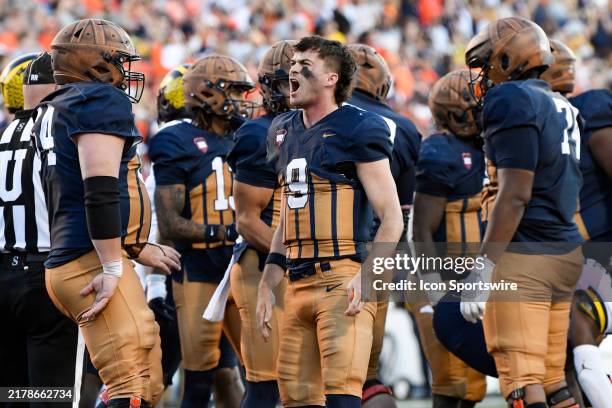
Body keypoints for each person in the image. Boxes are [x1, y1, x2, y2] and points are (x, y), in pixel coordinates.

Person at [31, 19, 180, 408]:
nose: (125, 72)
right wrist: (113, 264)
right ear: (96, 65)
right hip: (89, 259)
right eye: (118, 62)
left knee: (146, 371)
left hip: (75, 253)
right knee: (129, 379)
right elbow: (98, 191)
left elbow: (76, 188)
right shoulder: (96, 100)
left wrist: (133, 246)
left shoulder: (54, 106)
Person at [257, 35, 403, 408]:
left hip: (342, 278)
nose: (294, 70)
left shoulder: (359, 126)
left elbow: (391, 219)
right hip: (295, 283)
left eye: (305, 66)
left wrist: (367, 276)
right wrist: (267, 280)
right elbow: (289, 213)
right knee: (296, 399)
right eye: (293, 64)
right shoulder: (282, 130)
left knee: (342, 396)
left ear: (331, 79)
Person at [463, 17, 583, 407]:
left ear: (509, 58)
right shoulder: (562, 104)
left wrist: (482, 269)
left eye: (486, 63)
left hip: (525, 254)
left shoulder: (511, 99)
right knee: (553, 379)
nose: (482, 76)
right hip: (564, 250)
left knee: (521, 380)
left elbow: (514, 194)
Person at [149, 54, 256, 408]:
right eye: (236, 91)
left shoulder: (248, 136)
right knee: (197, 377)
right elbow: (170, 223)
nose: (243, 99)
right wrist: (228, 230)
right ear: (208, 94)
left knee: (260, 370)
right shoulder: (175, 140)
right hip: (198, 270)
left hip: (244, 269)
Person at [0, 51, 80, 407]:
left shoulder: (1, 137)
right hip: (45, 274)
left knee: (10, 393)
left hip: (3, 275)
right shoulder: (58, 131)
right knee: (50, 395)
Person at [345, 43, 422, 408]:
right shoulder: (405, 128)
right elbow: (404, 213)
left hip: (317, 253)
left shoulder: (318, 117)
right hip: (378, 256)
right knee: (367, 377)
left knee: (310, 377)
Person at [541, 39, 612, 408]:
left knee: (579, 331)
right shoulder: (536, 116)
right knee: (562, 360)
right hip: (569, 253)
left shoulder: (590, 105)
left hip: (596, 253)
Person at [412, 69, 487, 408]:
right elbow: (422, 228)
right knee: (453, 383)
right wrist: (432, 285)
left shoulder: (494, 146)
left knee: (474, 388)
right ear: (453, 112)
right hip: (445, 278)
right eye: (474, 105)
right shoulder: (441, 151)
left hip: (482, 280)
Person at [226, 40, 295, 408]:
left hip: (301, 269)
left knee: (307, 387)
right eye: (289, 81)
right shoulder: (259, 133)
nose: (298, 89)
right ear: (270, 86)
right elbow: (248, 220)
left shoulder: (315, 129)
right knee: (267, 387)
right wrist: (296, 258)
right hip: (263, 266)